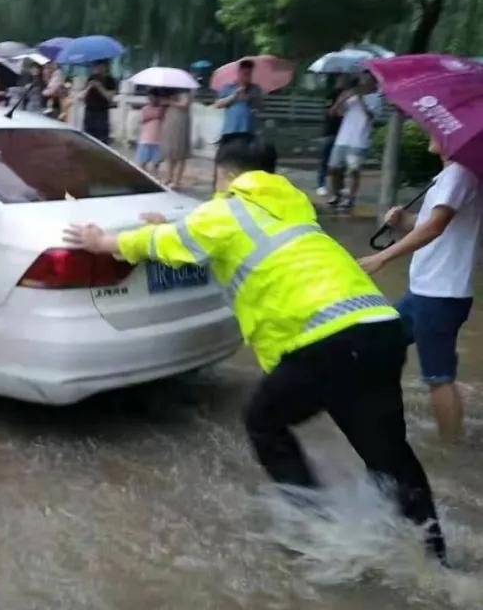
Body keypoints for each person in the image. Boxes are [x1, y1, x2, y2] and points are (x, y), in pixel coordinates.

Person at [63, 134, 446, 561]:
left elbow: (164, 245)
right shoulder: (295, 204)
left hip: (326, 340)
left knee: (264, 421)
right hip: (378, 327)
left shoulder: (224, 211)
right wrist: (168, 228)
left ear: (223, 172)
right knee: (388, 453)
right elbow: (212, 239)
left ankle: (313, 530)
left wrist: (102, 243)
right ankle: (433, 554)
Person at [358, 138, 482, 442]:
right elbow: (429, 223)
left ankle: (450, 449)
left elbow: (435, 226)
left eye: (437, 128)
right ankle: (382, 414)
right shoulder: (448, 176)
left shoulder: (459, 174)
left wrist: (381, 257)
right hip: (426, 292)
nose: (430, 131)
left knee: (438, 377)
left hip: (440, 294)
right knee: (380, 341)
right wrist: (403, 220)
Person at [326, 71, 381, 210]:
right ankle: (336, 194)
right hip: (342, 138)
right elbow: (334, 113)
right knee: (334, 168)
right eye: (362, 78)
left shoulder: (375, 98)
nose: (363, 81)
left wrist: (361, 99)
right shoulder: (351, 95)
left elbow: (371, 117)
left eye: (367, 78)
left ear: (374, 81)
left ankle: (349, 198)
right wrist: (341, 100)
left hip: (359, 140)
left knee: (353, 170)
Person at [315, 74, 351, 196]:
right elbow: (330, 113)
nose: (344, 80)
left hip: (344, 133)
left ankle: (340, 186)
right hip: (329, 132)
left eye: (346, 78)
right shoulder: (332, 94)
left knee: (341, 163)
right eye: (342, 78)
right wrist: (340, 101)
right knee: (325, 160)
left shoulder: (351, 95)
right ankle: (321, 184)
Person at [214, 58, 263, 137]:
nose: (247, 77)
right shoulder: (228, 87)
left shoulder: (255, 89)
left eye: (249, 74)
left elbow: (260, 107)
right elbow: (218, 104)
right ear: (238, 72)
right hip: (230, 130)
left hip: (249, 130)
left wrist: (248, 98)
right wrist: (234, 96)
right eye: (245, 74)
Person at [161, 89, 193, 189]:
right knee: (169, 150)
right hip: (170, 118)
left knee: (180, 151)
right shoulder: (169, 91)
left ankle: (176, 180)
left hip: (180, 120)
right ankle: (168, 177)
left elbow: (184, 104)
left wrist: (170, 102)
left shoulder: (186, 92)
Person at [83, 60, 118, 143]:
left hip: (101, 112)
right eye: (96, 67)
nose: (98, 69)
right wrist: (89, 87)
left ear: (105, 67)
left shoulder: (110, 80)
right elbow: (83, 97)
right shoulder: (91, 78)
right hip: (89, 111)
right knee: (88, 136)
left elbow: (109, 97)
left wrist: (99, 87)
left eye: (100, 66)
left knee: (102, 138)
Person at [136, 91, 165, 174]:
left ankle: (155, 173)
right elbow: (142, 119)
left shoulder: (162, 109)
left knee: (157, 161)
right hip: (146, 138)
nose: (152, 100)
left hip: (158, 139)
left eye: (154, 98)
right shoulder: (145, 108)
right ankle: (143, 174)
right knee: (142, 160)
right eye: (150, 98)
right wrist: (154, 115)